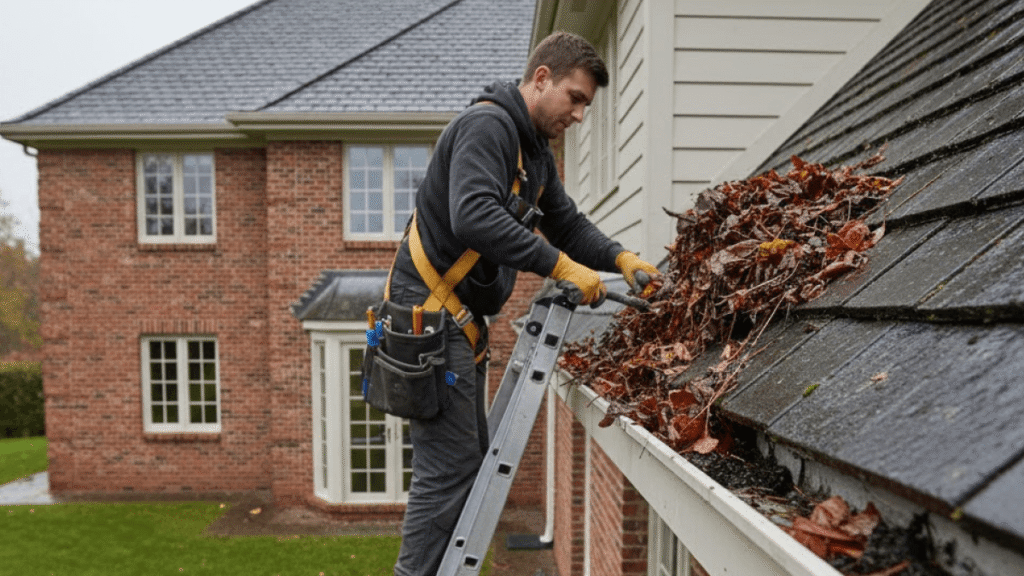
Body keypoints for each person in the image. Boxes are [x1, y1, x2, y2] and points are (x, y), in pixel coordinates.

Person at [386, 31, 659, 576]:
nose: (580, 115)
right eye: (575, 99)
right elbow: (474, 215)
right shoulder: (487, 127)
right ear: (540, 80)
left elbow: (566, 223)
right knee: (449, 469)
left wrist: (620, 257)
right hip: (430, 319)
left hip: (452, 322)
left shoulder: (533, 153)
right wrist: (558, 267)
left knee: (468, 463)